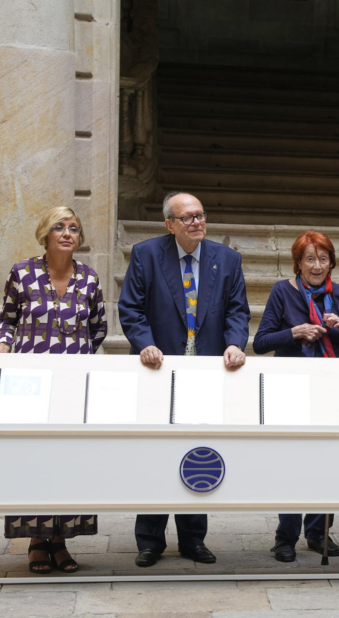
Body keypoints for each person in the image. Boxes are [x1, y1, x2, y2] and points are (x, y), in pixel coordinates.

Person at [118, 191, 251, 568]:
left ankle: (193, 539)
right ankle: (150, 541)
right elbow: (130, 307)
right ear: (170, 224)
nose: (196, 222)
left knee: (198, 451)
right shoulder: (147, 254)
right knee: (156, 453)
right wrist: (144, 344)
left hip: (206, 371)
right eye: (187, 217)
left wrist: (235, 344)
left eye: (200, 215)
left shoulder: (226, 260)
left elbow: (238, 311)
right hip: (156, 370)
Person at [0, 207, 106, 574]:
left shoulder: (90, 279)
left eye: (74, 228)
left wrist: (74, 360)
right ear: (45, 234)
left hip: (73, 385)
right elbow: (8, 319)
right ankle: (36, 540)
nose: (67, 233)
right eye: (59, 227)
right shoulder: (23, 273)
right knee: (33, 456)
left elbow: (97, 328)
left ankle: (61, 540)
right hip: (30, 384)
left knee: (69, 457)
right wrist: (4, 346)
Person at [253, 230, 339, 562]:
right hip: (291, 388)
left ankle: (319, 532)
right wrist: (295, 332)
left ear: (331, 262)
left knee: (328, 461)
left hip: (331, 387)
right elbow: (261, 342)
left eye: (323, 259)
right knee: (291, 463)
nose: (317, 266)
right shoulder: (282, 292)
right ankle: (285, 537)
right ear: (298, 263)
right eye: (309, 259)